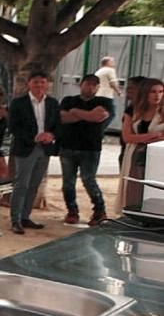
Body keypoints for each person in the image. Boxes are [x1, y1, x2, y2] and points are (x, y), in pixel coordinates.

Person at [7, 70, 60, 235]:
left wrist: (51, 135)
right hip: (25, 148)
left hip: (45, 148)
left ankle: (25, 217)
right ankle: (15, 219)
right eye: (36, 82)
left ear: (48, 84)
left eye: (42, 82)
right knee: (21, 184)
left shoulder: (52, 103)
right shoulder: (18, 103)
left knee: (34, 185)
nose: (39, 85)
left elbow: (58, 124)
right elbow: (13, 127)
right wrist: (34, 137)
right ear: (29, 84)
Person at [57, 74, 113, 226]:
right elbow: (62, 118)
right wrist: (88, 115)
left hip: (91, 148)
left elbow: (99, 117)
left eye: (94, 85)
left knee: (89, 180)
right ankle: (72, 211)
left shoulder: (105, 102)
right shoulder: (68, 100)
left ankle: (99, 210)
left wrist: (76, 112)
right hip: (68, 146)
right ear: (81, 84)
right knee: (68, 182)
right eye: (88, 84)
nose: (91, 87)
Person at [119, 78, 164, 214]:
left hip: (158, 156)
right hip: (135, 153)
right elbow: (127, 137)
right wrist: (150, 137)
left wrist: (140, 139)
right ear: (145, 93)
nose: (157, 95)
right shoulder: (133, 110)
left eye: (161, 91)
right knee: (134, 187)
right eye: (153, 92)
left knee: (155, 187)